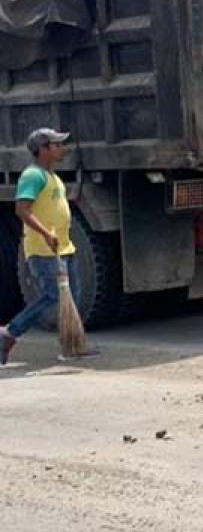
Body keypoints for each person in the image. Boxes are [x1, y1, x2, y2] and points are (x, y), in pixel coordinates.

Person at [1, 128, 94, 365]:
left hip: (64, 247)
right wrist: (45, 234)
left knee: (72, 297)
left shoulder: (52, 176)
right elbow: (22, 210)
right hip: (43, 250)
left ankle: (73, 344)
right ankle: (10, 332)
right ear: (43, 149)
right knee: (51, 296)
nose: (62, 148)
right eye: (57, 144)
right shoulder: (33, 176)